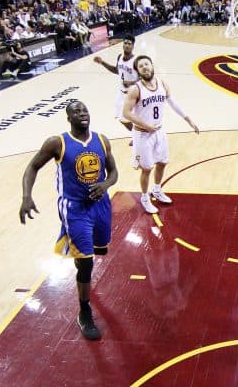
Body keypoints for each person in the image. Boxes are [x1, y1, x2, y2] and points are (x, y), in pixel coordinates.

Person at [19, 101, 118, 340]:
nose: (82, 113)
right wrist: (26, 196)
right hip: (74, 207)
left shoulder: (102, 140)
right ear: (68, 117)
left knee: (96, 251)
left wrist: (105, 184)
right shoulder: (57, 143)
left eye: (85, 109)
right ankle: (84, 311)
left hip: (100, 205)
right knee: (87, 263)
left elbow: (114, 172)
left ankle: (78, 256)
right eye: (76, 111)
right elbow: (32, 167)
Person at [122, 55, 200, 214]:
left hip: (159, 131)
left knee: (163, 162)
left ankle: (156, 190)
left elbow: (173, 102)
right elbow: (126, 113)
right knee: (147, 168)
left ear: (151, 66)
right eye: (141, 66)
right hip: (142, 134)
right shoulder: (135, 89)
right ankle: (145, 198)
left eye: (147, 64)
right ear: (138, 71)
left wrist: (188, 120)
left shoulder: (162, 83)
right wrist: (146, 125)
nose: (145, 67)